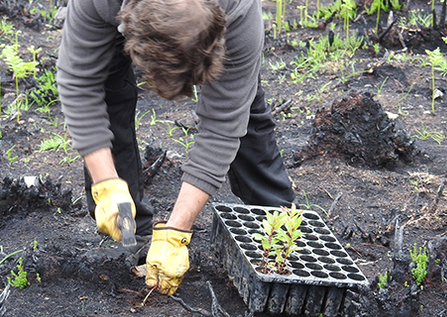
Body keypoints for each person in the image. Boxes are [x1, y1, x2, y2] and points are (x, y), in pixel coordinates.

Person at [56, 0, 295, 296]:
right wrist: (105, 183)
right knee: (106, 85)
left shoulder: (239, 12)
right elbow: (79, 83)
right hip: (110, 13)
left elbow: (223, 121)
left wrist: (177, 231)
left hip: (228, 25)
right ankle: (134, 229)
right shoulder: (98, 4)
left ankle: (278, 220)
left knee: (243, 105)